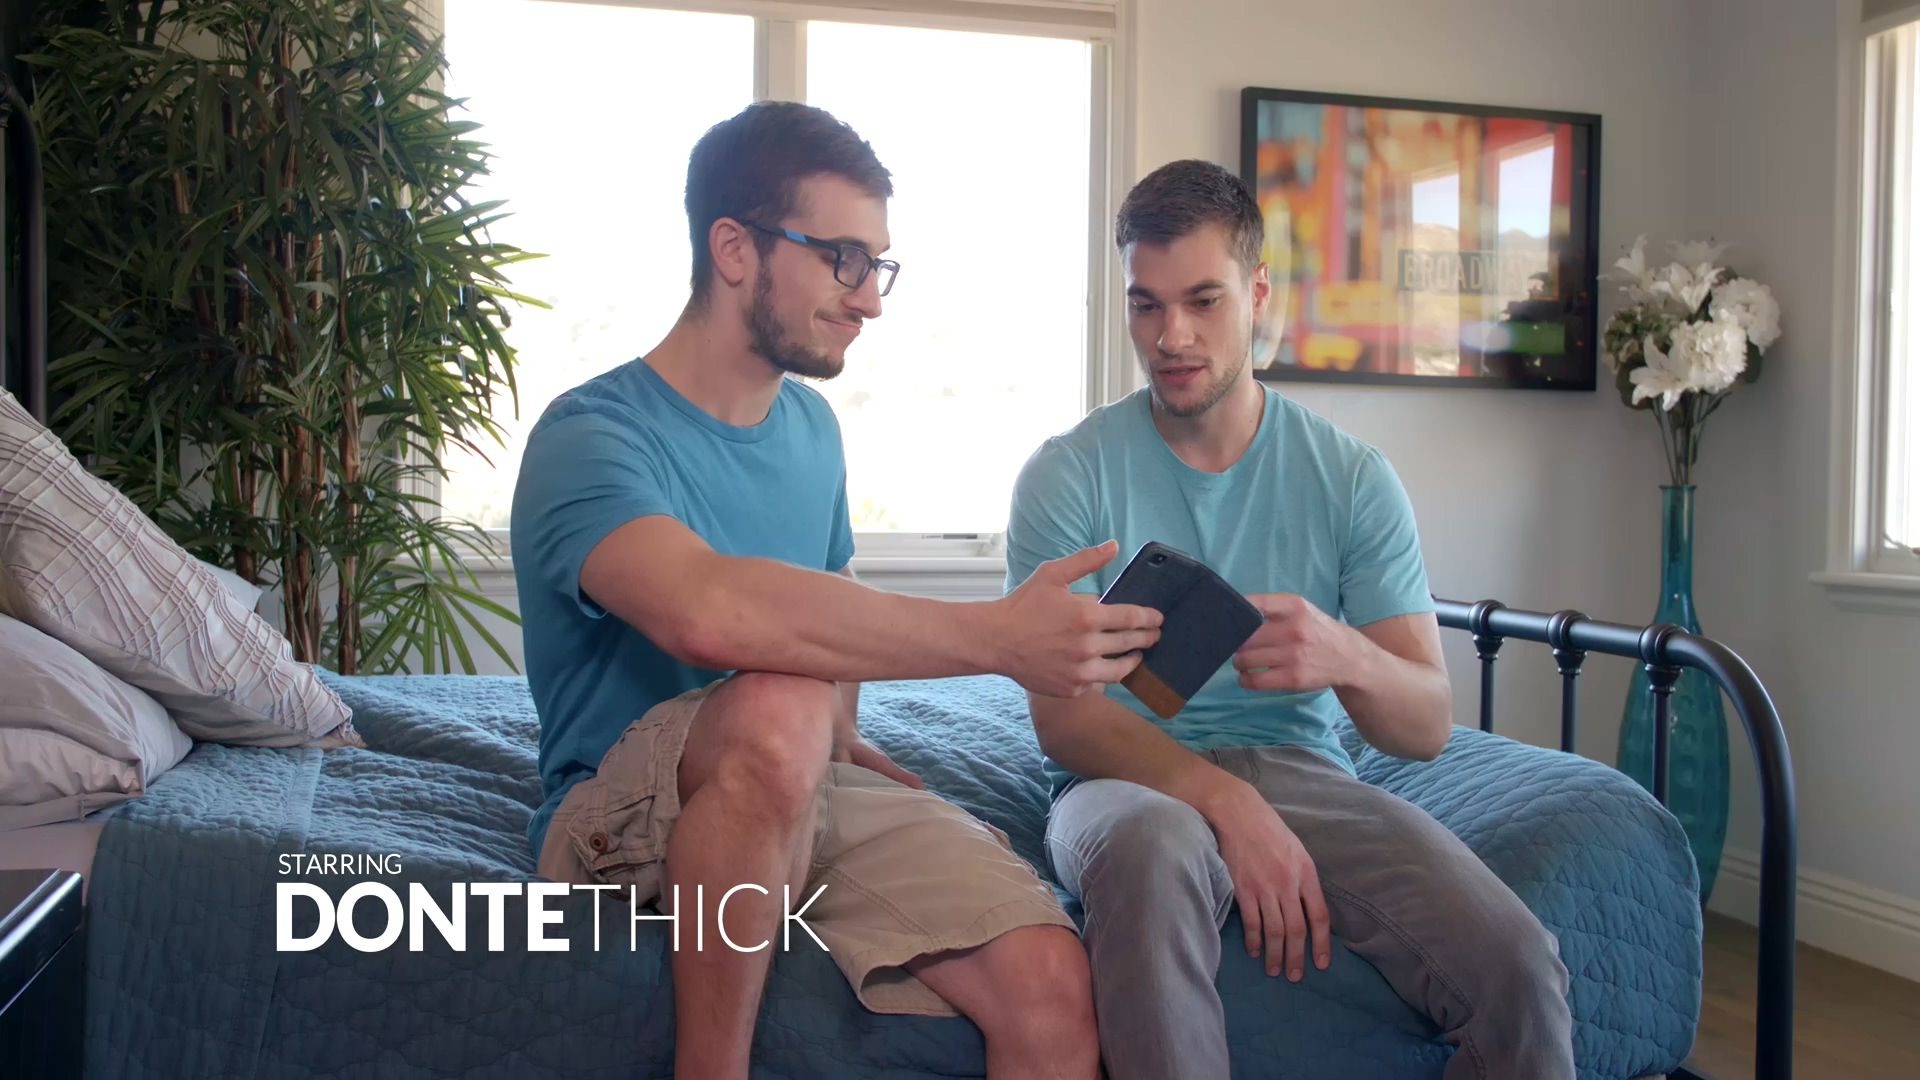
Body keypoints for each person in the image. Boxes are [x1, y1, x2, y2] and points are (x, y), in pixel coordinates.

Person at [511, 101, 1162, 1079]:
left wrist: (841, 733)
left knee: (1051, 982)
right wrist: (996, 637)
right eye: (843, 259)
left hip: (794, 775)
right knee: (782, 702)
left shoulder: (812, 430)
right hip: (619, 814)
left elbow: (830, 599)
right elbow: (707, 609)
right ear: (735, 249)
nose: (870, 300)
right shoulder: (590, 436)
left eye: (878, 266)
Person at [1004, 159, 1575, 1080]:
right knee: (1153, 849)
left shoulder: (1351, 478)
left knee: (1518, 965)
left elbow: (1425, 726)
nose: (1172, 336)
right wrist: (1229, 803)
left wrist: (1348, 656)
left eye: (1203, 301)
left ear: (1258, 292)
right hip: (1121, 778)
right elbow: (1065, 722)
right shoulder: (1068, 473)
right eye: (1146, 305)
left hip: (1304, 772)